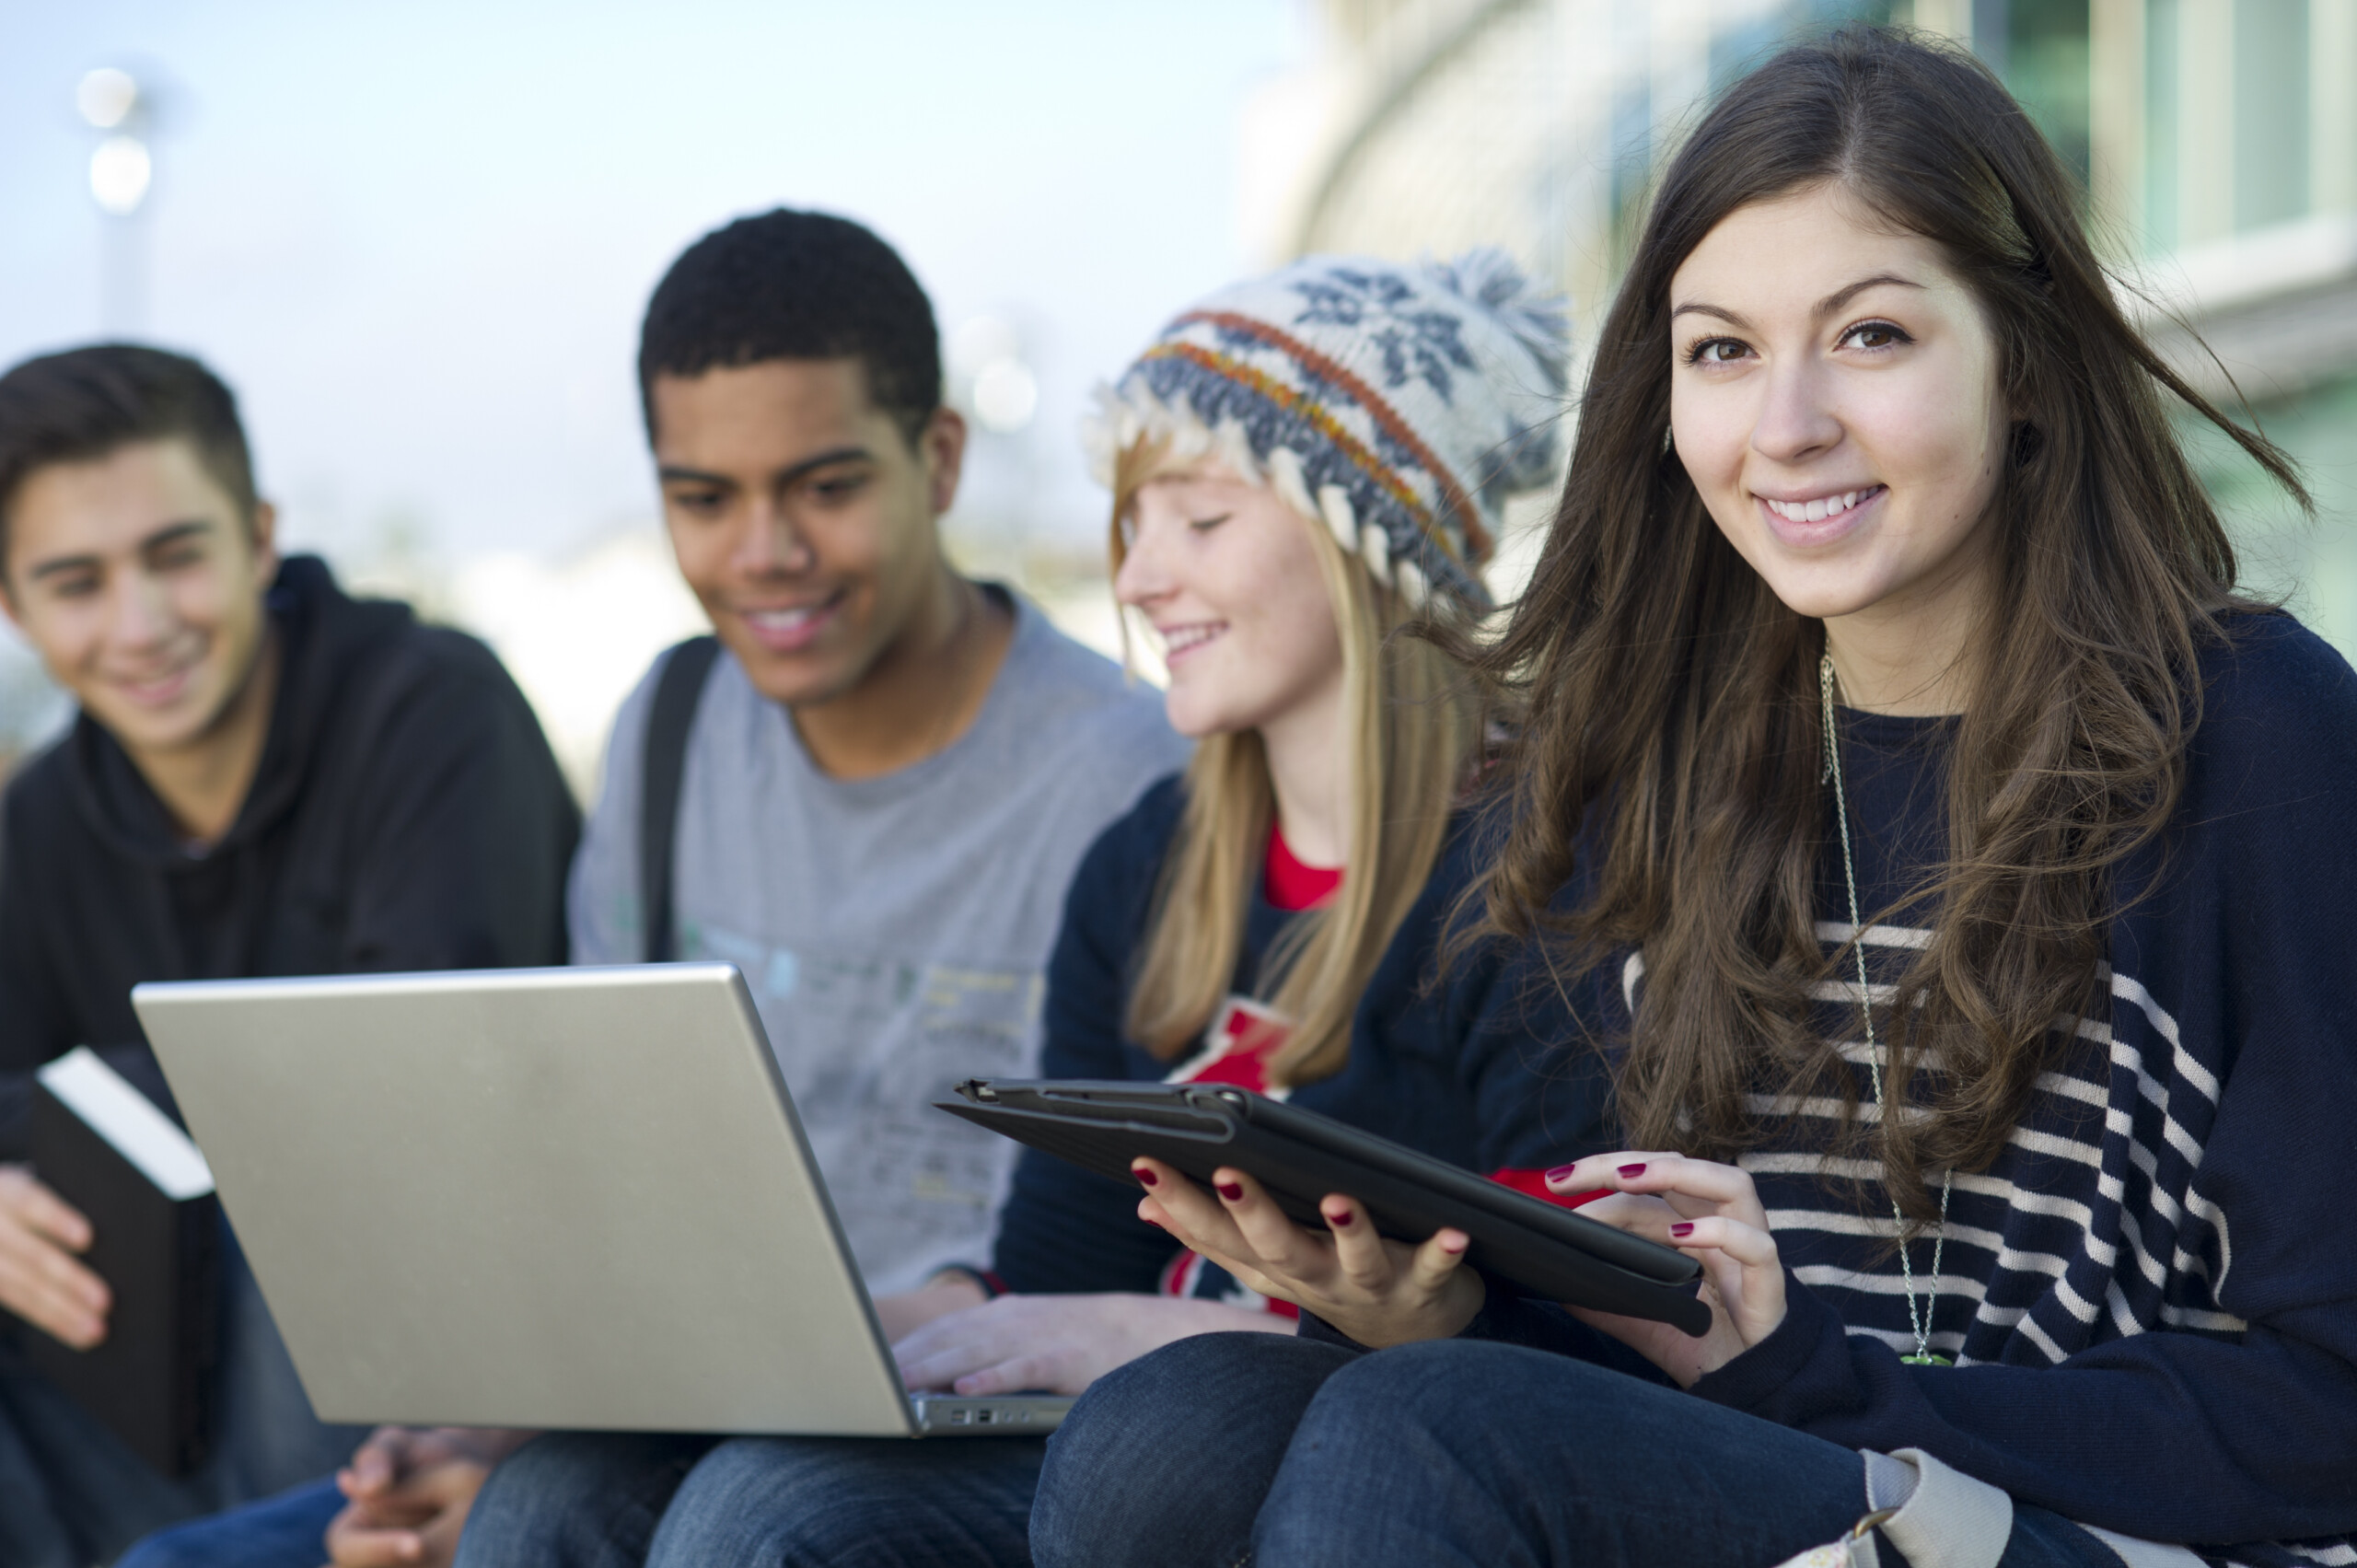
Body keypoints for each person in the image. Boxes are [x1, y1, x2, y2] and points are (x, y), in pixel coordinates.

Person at [1028, 28, 2357, 1568]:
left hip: (2099, 1534)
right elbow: (1686, 1354)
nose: (1783, 425)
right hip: (1801, 1474)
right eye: (1721, 350)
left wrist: (1810, 1385)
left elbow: (2325, 1403)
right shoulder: (1666, 752)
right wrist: (1445, 1300)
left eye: (1870, 337)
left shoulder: (2253, 734)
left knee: (1428, 1437)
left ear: (2033, 363)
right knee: (1163, 1443)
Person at [440, 250, 1583, 1567]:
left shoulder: (1529, 879)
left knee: (762, 1521)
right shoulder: (1151, 859)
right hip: (1093, 1417)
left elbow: (1555, 1337)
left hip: (1263, 1451)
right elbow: (1047, 1263)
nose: (1145, 582)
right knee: (546, 1504)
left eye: (1200, 524)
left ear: (1372, 541)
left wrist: (1159, 1335)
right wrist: (788, 1339)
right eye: (1133, 527)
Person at [117, 209, 1190, 1568]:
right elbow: (595, 1174)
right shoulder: (674, 723)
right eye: (703, 498)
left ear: (941, 459)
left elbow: (1127, 1243)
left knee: (731, 1523)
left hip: (980, 1410)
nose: (763, 553)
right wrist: (497, 1424)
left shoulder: (1131, 777)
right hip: (679, 1400)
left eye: (824, 485)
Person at [0, 343, 579, 1568]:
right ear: (14, 606)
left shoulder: (432, 709)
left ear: (259, 538)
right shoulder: (39, 822)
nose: (140, 625)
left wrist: (86, 1111)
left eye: (176, 556)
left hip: (435, 1391)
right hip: (147, 1399)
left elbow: (403, 1077)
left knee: (291, 1204)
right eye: (75, 582)